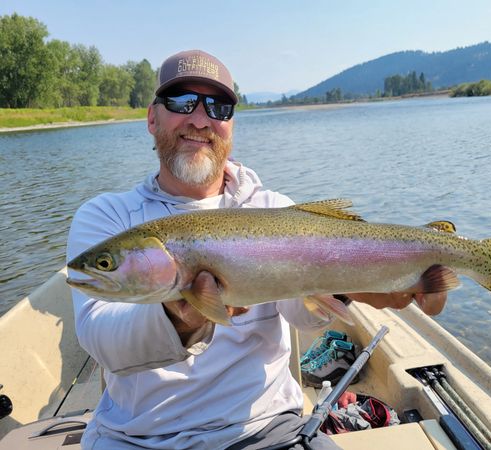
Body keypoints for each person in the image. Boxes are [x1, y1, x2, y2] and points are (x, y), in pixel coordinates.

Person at [66, 49, 447, 450]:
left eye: (218, 106)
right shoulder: (108, 217)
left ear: (230, 124)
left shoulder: (273, 209)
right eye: (181, 102)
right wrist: (181, 317)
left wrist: (351, 286)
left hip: (268, 431)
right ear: (151, 117)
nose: (199, 119)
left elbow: (303, 315)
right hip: (138, 439)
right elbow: (100, 338)